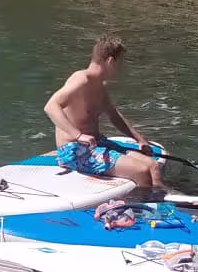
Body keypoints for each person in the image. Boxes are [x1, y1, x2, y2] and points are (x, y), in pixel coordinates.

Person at [44, 34, 164, 195]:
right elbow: (51, 106)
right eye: (120, 63)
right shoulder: (81, 80)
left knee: (153, 166)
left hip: (97, 144)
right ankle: (143, 211)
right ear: (110, 62)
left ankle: (162, 203)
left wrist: (139, 139)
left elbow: (113, 115)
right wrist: (78, 136)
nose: (121, 68)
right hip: (75, 151)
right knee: (141, 171)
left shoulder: (100, 85)